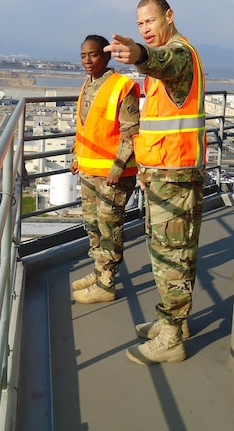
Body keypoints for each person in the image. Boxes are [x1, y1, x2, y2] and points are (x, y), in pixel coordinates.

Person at [106, 0, 206, 364]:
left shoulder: (178, 55)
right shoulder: (171, 60)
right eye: (140, 25)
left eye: (150, 21)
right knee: (171, 251)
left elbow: (163, 62)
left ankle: (172, 336)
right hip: (166, 172)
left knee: (171, 256)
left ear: (169, 16)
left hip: (175, 174)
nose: (146, 29)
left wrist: (142, 55)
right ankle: (173, 323)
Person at [69, 34, 140, 304]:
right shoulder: (89, 84)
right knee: (93, 227)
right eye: (83, 55)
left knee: (109, 227)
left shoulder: (123, 86)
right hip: (89, 170)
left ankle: (107, 283)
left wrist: (118, 168)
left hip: (113, 174)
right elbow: (86, 127)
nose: (87, 60)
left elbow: (130, 133)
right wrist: (77, 156)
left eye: (94, 54)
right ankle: (99, 271)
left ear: (106, 56)